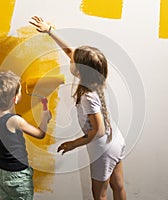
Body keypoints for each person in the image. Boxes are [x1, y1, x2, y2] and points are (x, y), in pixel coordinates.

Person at [30, 16, 127, 200]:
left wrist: (74, 143)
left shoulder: (87, 97)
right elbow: (70, 50)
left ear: (81, 70)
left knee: (99, 195)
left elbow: (98, 130)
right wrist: (50, 30)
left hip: (103, 149)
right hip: (116, 140)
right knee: (119, 186)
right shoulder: (97, 79)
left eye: (74, 61)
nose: (70, 60)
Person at [0, 70, 51, 200]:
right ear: (14, 99)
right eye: (19, 91)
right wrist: (45, 119)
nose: (20, 94)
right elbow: (40, 134)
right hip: (18, 175)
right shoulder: (15, 120)